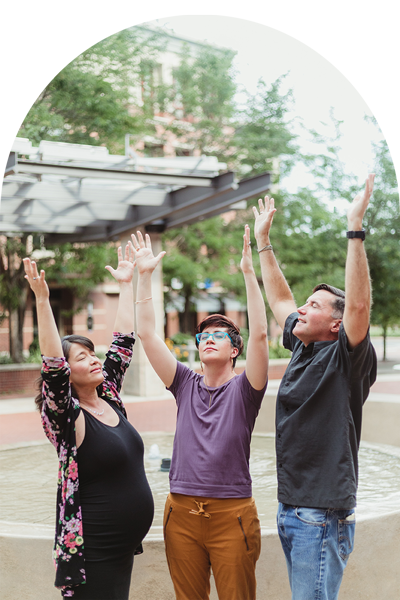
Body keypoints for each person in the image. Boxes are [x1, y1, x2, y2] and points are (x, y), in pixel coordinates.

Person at [252, 174, 378, 600]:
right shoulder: (304, 347)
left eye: (315, 305)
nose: (302, 309)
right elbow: (281, 299)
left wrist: (354, 229)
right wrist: (263, 243)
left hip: (321, 513)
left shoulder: (346, 357)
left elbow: (359, 304)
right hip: (294, 508)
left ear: (337, 324)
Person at [131, 225, 269, 600]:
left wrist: (247, 272)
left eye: (219, 334)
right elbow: (146, 333)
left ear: (234, 350)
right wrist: (144, 278)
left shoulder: (246, 389)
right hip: (181, 513)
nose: (208, 337)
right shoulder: (184, 383)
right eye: (203, 335)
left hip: (233, 515)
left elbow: (260, 334)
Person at [23, 244, 154, 599]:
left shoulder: (108, 396)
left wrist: (127, 284)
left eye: (92, 353)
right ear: (69, 372)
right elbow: (52, 366)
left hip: (121, 546)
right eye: (83, 357)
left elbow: (123, 343)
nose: (95, 360)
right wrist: (42, 300)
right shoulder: (68, 417)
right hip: (94, 548)